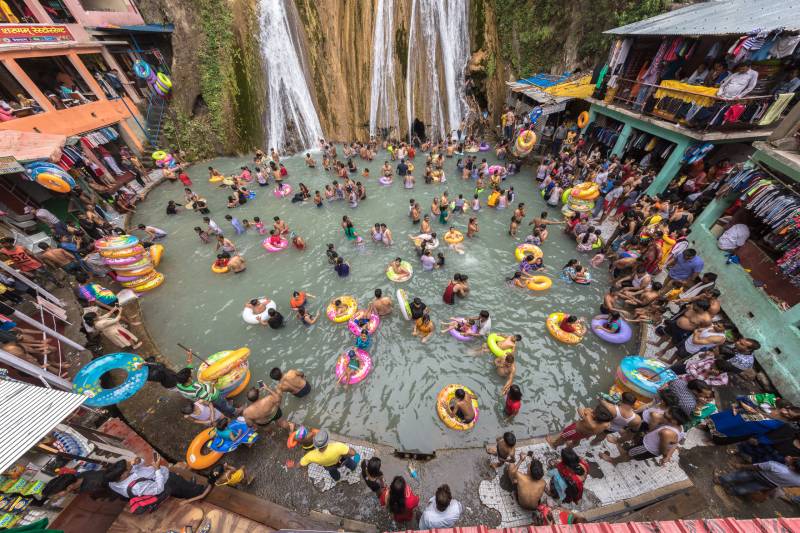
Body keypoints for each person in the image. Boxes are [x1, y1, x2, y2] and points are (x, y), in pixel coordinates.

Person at [108, 455, 211, 503]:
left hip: (163, 476)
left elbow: (138, 467)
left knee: (181, 484)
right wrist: (157, 469)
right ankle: (199, 493)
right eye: (129, 466)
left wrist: (139, 462)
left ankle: (189, 488)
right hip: (166, 482)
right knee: (180, 486)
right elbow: (158, 489)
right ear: (123, 475)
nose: (131, 464)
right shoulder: (136, 487)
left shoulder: (113, 479)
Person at [718, 457, 800, 499]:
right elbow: (788, 486)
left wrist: (741, 466)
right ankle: (732, 491)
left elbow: (756, 467)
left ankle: (721, 480)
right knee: (749, 487)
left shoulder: (775, 465)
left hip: (758, 473)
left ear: (793, 466)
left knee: (738, 476)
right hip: (769, 484)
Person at [547, 403, 613, 448]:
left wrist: (588, 413)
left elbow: (580, 409)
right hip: (582, 434)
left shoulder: (590, 423)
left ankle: (554, 444)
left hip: (573, 431)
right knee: (576, 441)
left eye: (594, 410)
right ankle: (571, 446)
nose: (593, 410)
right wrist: (589, 414)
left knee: (563, 437)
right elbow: (587, 412)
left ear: (595, 415)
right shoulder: (605, 424)